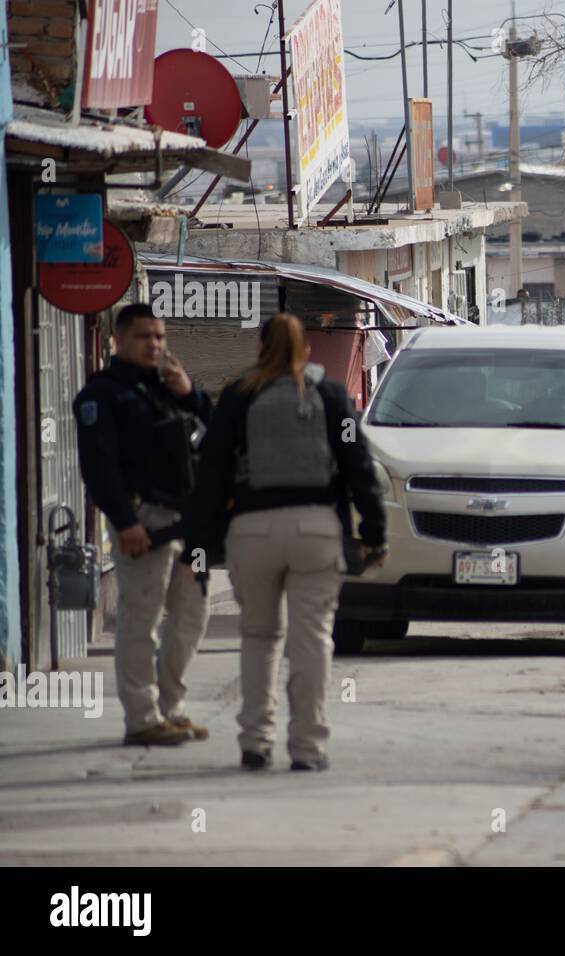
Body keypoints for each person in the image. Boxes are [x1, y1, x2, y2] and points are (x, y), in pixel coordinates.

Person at [184, 314, 386, 771]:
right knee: (311, 639)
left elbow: (210, 475)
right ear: (306, 350)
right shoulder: (332, 396)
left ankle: (255, 742)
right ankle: (308, 748)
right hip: (315, 530)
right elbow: (359, 467)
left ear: (259, 347)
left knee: (258, 637)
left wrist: (197, 551)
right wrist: (373, 535)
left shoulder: (237, 397)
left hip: (251, 532)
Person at [74, 303, 213, 747]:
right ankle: (142, 717)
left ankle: (171, 708)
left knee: (192, 614)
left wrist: (189, 393)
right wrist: (123, 520)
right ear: (117, 340)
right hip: (143, 521)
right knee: (141, 619)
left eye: (159, 336)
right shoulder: (103, 394)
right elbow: (99, 467)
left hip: (188, 523)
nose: (154, 344)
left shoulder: (168, 386)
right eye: (143, 336)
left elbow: (216, 433)